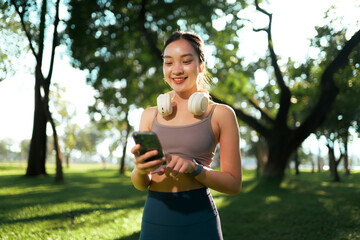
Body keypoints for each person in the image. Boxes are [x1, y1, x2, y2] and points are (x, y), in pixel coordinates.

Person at [131, 31, 242, 240]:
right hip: (155, 220)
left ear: (201, 66)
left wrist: (196, 169)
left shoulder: (221, 114)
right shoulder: (148, 115)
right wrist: (140, 169)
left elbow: (234, 184)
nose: (176, 70)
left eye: (186, 61)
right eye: (169, 62)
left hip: (200, 223)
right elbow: (140, 183)